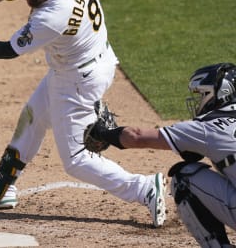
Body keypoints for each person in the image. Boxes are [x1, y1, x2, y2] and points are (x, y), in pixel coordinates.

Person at [0, 0, 166, 227]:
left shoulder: (52, 17)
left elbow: (9, 50)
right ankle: (0, 191)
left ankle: (143, 188)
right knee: (33, 117)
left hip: (77, 79)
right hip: (87, 62)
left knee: (76, 159)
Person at [86, 62, 236, 247]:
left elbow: (138, 137)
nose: (198, 101)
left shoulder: (207, 128)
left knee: (184, 178)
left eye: (202, 94)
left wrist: (103, 133)